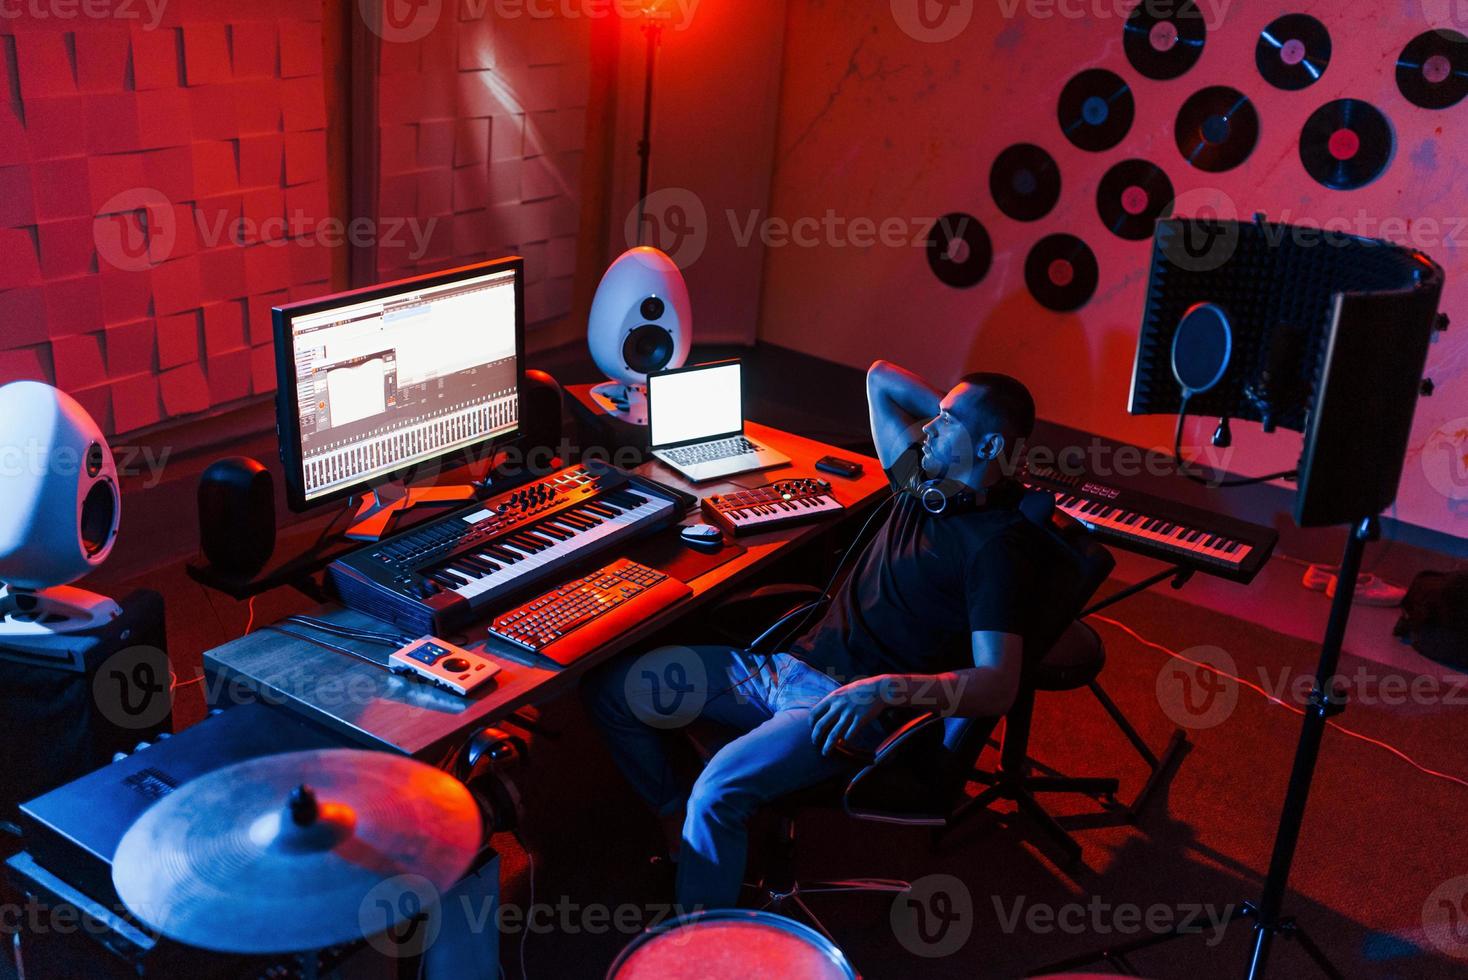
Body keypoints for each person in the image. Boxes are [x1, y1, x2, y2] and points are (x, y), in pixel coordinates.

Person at [583, 360, 1044, 910]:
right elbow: (879, 377)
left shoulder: (995, 549)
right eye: (934, 416)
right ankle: (673, 822)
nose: (929, 428)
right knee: (614, 689)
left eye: (946, 422)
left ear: (990, 446)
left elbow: (998, 684)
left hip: (841, 706)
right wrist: (956, 416)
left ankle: (700, 953)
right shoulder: (921, 483)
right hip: (780, 667)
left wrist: (889, 690)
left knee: (717, 794)